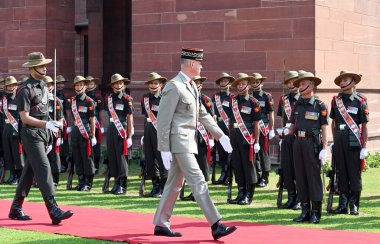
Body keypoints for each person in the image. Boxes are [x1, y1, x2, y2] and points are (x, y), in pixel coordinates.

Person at [153, 47, 237, 240]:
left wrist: (220, 135)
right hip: (179, 142)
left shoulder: (190, 86)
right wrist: (164, 148)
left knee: (174, 184)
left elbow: (203, 114)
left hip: (187, 142)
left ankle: (161, 223)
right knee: (198, 181)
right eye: (199, 63)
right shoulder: (174, 86)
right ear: (192, 64)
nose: (200, 67)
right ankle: (216, 224)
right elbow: (163, 120)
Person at [9, 52, 73, 225]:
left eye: (45, 65)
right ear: (31, 68)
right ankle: (53, 209)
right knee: (44, 168)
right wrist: (46, 125)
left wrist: (53, 124)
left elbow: (43, 113)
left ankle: (16, 207)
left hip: (43, 134)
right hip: (30, 134)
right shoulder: (25, 89)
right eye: (41, 65)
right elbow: (24, 117)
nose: (45, 68)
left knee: (30, 170)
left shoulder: (44, 86)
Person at [288, 71, 328, 224]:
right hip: (298, 142)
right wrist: (286, 131)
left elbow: (324, 128)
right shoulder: (297, 104)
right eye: (300, 84)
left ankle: (316, 212)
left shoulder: (320, 105)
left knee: (313, 177)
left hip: (312, 143)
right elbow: (293, 124)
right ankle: (305, 210)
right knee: (300, 176)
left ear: (312, 85)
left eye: (304, 84)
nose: (300, 86)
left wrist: (325, 147)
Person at [330, 71, 368, 215]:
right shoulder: (336, 100)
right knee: (341, 173)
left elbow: (364, 126)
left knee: (354, 174)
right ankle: (342, 204)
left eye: (345, 80)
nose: (342, 82)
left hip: (353, 141)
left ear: (353, 82)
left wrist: (364, 146)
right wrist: (334, 141)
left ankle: (354, 205)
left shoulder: (360, 100)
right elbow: (333, 123)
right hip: (339, 139)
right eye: (340, 80)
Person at [228, 73, 261, 205]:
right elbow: (231, 121)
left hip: (248, 138)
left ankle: (249, 194)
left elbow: (256, 123)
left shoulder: (254, 102)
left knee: (248, 166)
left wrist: (257, 142)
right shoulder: (233, 100)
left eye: (243, 83)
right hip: (235, 136)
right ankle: (241, 192)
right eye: (239, 84)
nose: (240, 86)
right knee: (237, 165)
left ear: (248, 85)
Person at [181, 75, 215, 201]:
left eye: (198, 83)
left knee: (202, 164)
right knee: (191, 165)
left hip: (201, 136)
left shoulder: (205, 99)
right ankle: (194, 192)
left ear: (201, 85)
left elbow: (211, 119)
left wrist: (211, 138)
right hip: (189, 135)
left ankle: (202, 192)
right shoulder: (185, 98)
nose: (196, 85)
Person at [276, 71, 301, 209]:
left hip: (299, 137)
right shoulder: (283, 99)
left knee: (298, 168)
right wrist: (282, 134)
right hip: (287, 138)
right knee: (287, 168)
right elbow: (282, 118)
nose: (291, 84)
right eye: (289, 82)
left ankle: (299, 198)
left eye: (293, 81)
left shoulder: (302, 99)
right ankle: (291, 196)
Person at [106, 73, 134, 195]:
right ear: (112, 85)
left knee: (121, 157)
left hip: (122, 128)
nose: (119, 85)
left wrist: (130, 135)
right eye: (116, 83)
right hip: (112, 128)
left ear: (123, 85)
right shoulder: (110, 98)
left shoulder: (127, 99)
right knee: (113, 157)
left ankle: (122, 184)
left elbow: (130, 117)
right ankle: (116, 182)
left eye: (120, 83)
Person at [68, 75, 97, 191]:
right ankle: (80, 180)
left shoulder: (90, 101)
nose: (78, 87)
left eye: (81, 85)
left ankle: (88, 183)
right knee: (77, 156)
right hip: (75, 131)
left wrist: (93, 135)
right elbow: (72, 117)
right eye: (77, 85)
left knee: (87, 157)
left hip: (85, 130)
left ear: (85, 86)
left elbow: (92, 119)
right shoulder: (73, 101)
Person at [141, 72, 167, 198]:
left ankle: (163, 186)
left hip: (161, 131)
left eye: (156, 83)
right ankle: (155, 185)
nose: (153, 85)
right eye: (151, 83)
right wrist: (143, 133)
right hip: (148, 130)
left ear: (161, 84)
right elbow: (145, 117)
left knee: (161, 158)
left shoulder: (165, 98)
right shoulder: (145, 98)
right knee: (150, 159)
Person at [251, 73, 275, 188]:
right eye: (253, 82)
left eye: (257, 82)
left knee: (263, 153)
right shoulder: (249, 96)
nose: (255, 84)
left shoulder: (267, 96)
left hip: (263, 128)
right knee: (254, 153)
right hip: (252, 128)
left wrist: (272, 129)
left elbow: (271, 114)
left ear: (262, 83)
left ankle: (265, 177)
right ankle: (257, 175)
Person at [211, 72, 235, 185]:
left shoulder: (233, 97)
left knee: (230, 152)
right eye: (221, 81)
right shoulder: (215, 96)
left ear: (229, 83)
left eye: (225, 81)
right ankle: (224, 172)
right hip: (218, 127)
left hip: (229, 127)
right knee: (221, 152)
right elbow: (212, 112)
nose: (223, 83)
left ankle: (229, 175)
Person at [1, 76, 25, 185]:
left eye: (12, 85)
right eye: (8, 86)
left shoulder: (20, 98)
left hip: (17, 128)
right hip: (6, 128)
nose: (10, 88)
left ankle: (20, 176)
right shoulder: (3, 99)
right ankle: (12, 175)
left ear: (16, 86)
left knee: (17, 153)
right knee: (8, 153)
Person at [43, 75, 64, 187]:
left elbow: (60, 119)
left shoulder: (56, 101)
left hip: (54, 132)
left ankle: (55, 179)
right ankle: (44, 178)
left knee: (54, 156)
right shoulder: (39, 101)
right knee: (43, 156)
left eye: (50, 85)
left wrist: (60, 135)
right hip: (42, 131)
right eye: (46, 85)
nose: (48, 87)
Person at [85, 76, 106, 174]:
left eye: (91, 84)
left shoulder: (98, 97)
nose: (89, 86)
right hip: (84, 125)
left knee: (96, 147)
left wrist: (101, 126)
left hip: (96, 125)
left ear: (95, 85)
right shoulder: (82, 96)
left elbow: (101, 112)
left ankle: (96, 166)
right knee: (85, 146)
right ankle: (88, 166)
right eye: (88, 84)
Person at [56, 75, 72, 173]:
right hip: (53, 120)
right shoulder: (52, 94)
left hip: (63, 121)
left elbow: (68, 111)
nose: (60, 85)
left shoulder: (66, 95)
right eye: (59, 83)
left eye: (62, 83)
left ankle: (63, 163)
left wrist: (69, 125)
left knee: (63, 143)